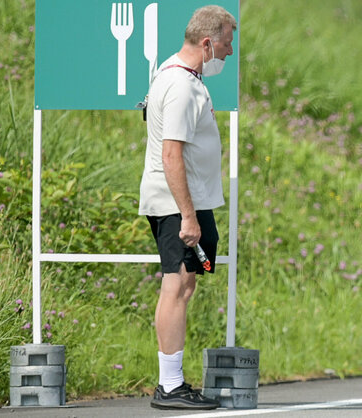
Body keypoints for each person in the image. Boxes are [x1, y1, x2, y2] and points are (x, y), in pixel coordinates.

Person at [138, 5, 236, 410]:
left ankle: (173, 382)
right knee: (175, 284)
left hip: (192, 201)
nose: (230, 53)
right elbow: (171, 154)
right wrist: (189, 217)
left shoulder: (181, 75)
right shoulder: (179, 84)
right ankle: (170, 386)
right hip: (178, 203)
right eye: (228, 43)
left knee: (188, 282)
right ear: (208, 42)